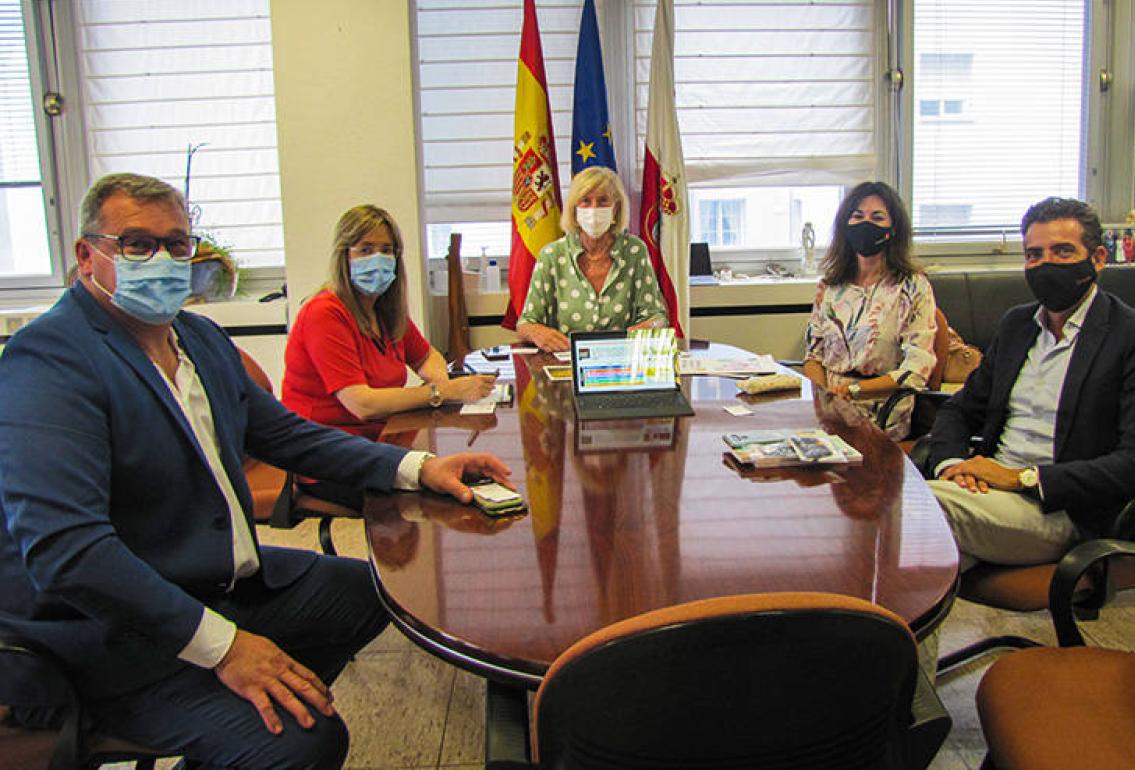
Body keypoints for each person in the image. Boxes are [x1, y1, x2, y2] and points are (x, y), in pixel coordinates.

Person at [0, 173, 513, 769]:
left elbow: (287, 436)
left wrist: (418, 466)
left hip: (212, 577)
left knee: (373, 591)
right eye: (137, 245)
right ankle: (234, 707)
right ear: (88, 255)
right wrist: (226, 650)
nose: (162, 260)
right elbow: (69, 554)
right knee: (307, 742)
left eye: (177, 244)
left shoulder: (196, 337)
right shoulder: (48, 361)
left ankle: (245, 710)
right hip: (111, 635)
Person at [925, 197, 1135, 571]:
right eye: (1034, 254)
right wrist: (952, 464)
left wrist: (1022, 478)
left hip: (1059, 510)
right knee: (920, 564)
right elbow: (960, 409)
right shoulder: (1017, 325)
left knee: (904, 511)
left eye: (1062, 251)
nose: (1046, 265)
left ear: (1099, 259)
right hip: (981, 495)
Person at [283, 205, 496, 506]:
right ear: (344, 256)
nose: (377, 259)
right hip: (327, 455)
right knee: (444, 490)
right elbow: (362, 404)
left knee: (459, 470)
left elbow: (427, 357)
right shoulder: (324, 314)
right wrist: (442, 392)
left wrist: (439, 384)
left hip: (380, 439)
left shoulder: (383, 309)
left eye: (387, 250)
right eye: (365, 249)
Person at [803, 181, 938, 440]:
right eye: (857, 216)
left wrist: (854, 391)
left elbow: (916, 371)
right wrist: (823, 399)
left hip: (882, 414)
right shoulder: (830, 287)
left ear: (893, 229)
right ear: (845, 225)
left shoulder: (912, 287)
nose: (866, 224)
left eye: (877, 217)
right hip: (829, 412)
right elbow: (813, 356)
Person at [516, 167, 668, 352]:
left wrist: (644, 329)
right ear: (574, 208)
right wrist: (538, 333)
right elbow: (525, 324)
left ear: (616, 207)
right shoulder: (552, 255)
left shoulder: (634, 251)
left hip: (622, 361)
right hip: (565, 363)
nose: (594, 209)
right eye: (585, 201)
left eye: (603, 201)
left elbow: (657, 316)